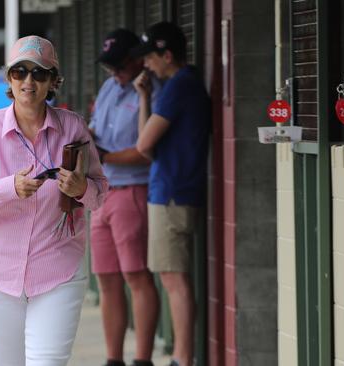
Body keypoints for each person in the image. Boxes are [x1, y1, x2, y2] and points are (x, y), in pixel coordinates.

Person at [0, 35, 108, 366]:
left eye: (39, 73)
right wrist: (9, 188)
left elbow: (100, 193)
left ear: (53, 81)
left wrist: (80, 187)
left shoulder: (73, 128)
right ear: (9, 78)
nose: (28, 81)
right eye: (20, 72)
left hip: (58, 269)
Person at [133, 22, 211, 366]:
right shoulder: (182, 84)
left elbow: (143, 144)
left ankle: (182, 358)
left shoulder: (179, 86)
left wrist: (146, 98)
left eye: (150, 57)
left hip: (172, 192)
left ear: (166, 54)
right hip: (175, 189)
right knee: (172, 276)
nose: (147, 65)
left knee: (173, 279)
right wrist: (145, 97)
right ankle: (182, 356)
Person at [89, 28, 161, 366]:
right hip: (102, 193)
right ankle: (113, 358)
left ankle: (142, 358)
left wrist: (103, 156)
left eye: (120, 64)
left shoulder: (151, 90)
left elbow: (147, 149)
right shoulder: (108, 88)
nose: (115, 71)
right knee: (106, 278)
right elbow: (96, 132)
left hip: (133, 189)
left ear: (137, 59)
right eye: (110, 66)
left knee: (136, 275)